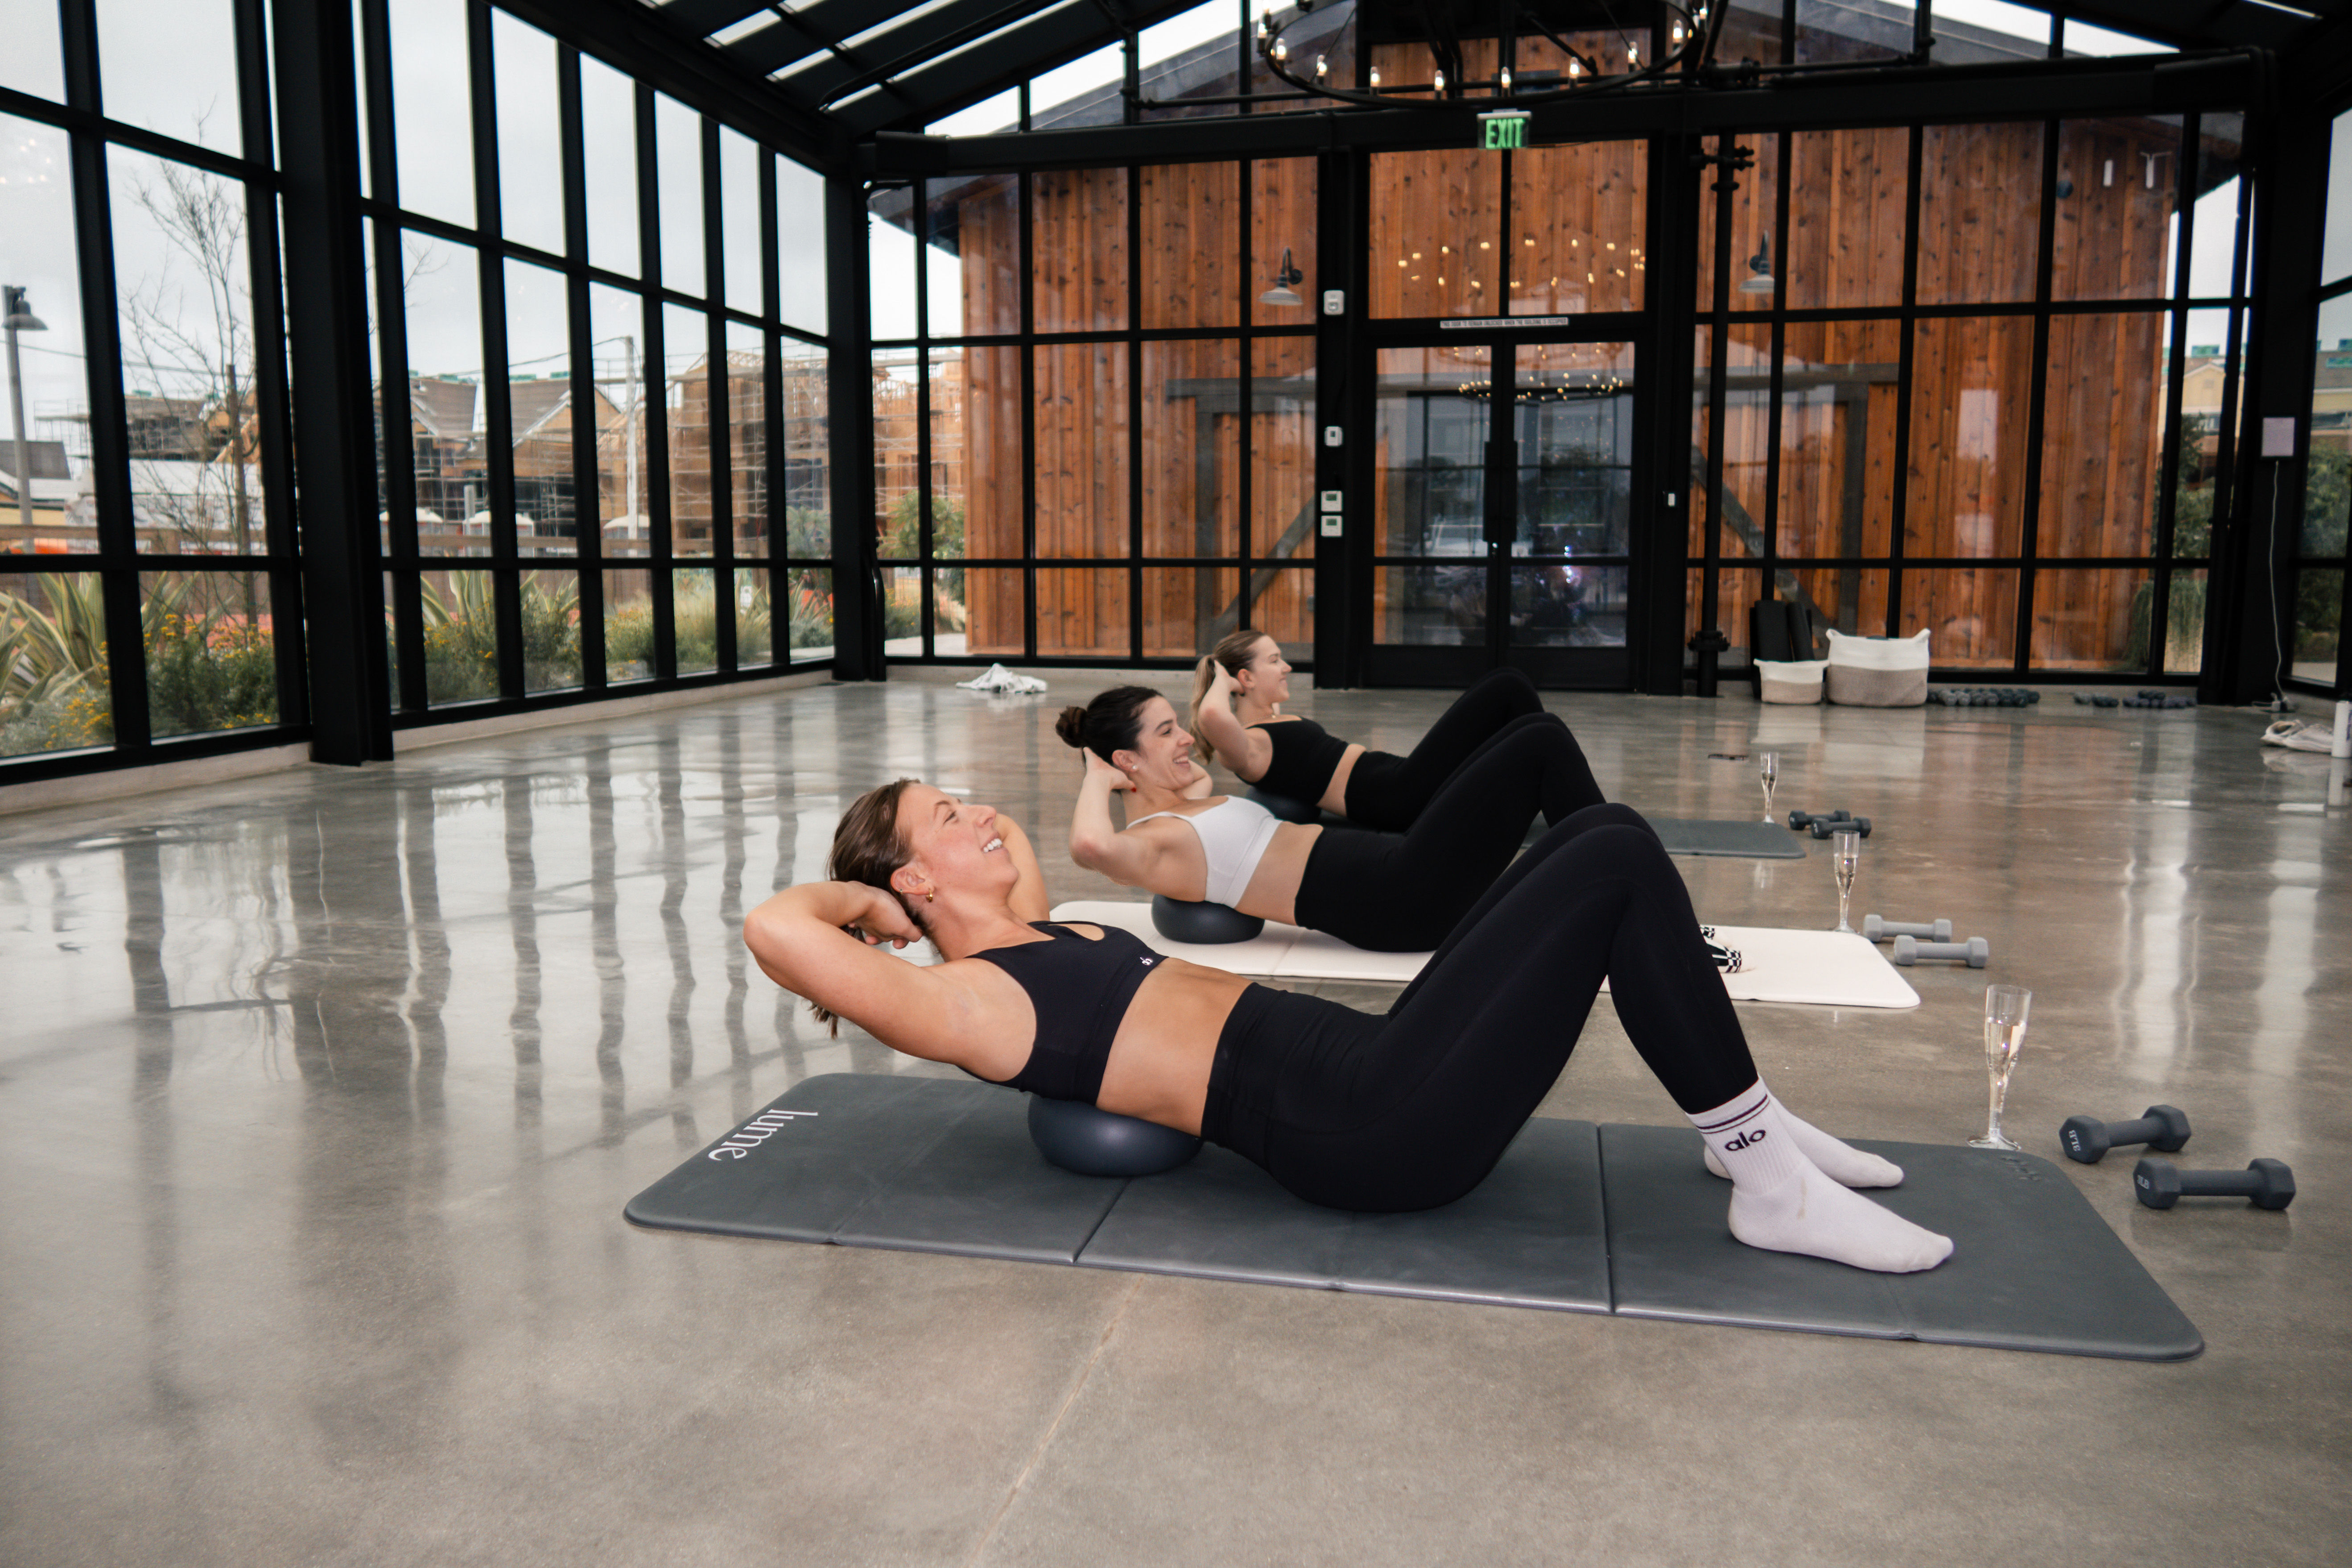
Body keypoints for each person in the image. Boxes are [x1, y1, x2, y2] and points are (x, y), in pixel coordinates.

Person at [741, 779, 1953, 1276]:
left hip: (1365, 1058)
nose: (979, 814)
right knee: (1612, 867)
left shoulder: (1033, 943)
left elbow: (1026, 876)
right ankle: (1762, 1174)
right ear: (908, 884)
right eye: (948, 816)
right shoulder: (963, 1005)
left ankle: (1750, 1124)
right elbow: (778, 929)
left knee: (1599, 834)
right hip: (1369, 1127)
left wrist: (963, 857)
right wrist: (866, 901)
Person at [1062, 685, 1609, 954]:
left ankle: (1609, 880)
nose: (1186, 739)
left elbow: (1195, 769)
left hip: (1399, 866)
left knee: (1518, 714)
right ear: (1126, 762)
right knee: (1540, 741)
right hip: (1398, 899)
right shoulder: (1153, 844)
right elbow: (1090, 845)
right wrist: (1095, 769)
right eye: (1166, 733)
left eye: (1177, 724)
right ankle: (1614, 885)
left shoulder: (1189, 802)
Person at [1188, 629, 1561, 831]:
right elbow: (1213, 717)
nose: (1286, 667)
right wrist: (1220, 679)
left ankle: (1560, 803)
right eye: (1275, 661)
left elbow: (1260, 708)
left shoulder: (1269, 719)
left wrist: (1249, 687)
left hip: (1398, 778)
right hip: (1396, 795)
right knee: (1508, 687)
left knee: (1531, 730)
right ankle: (1574, 820)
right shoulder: (1246, 745)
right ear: (1245, 678)